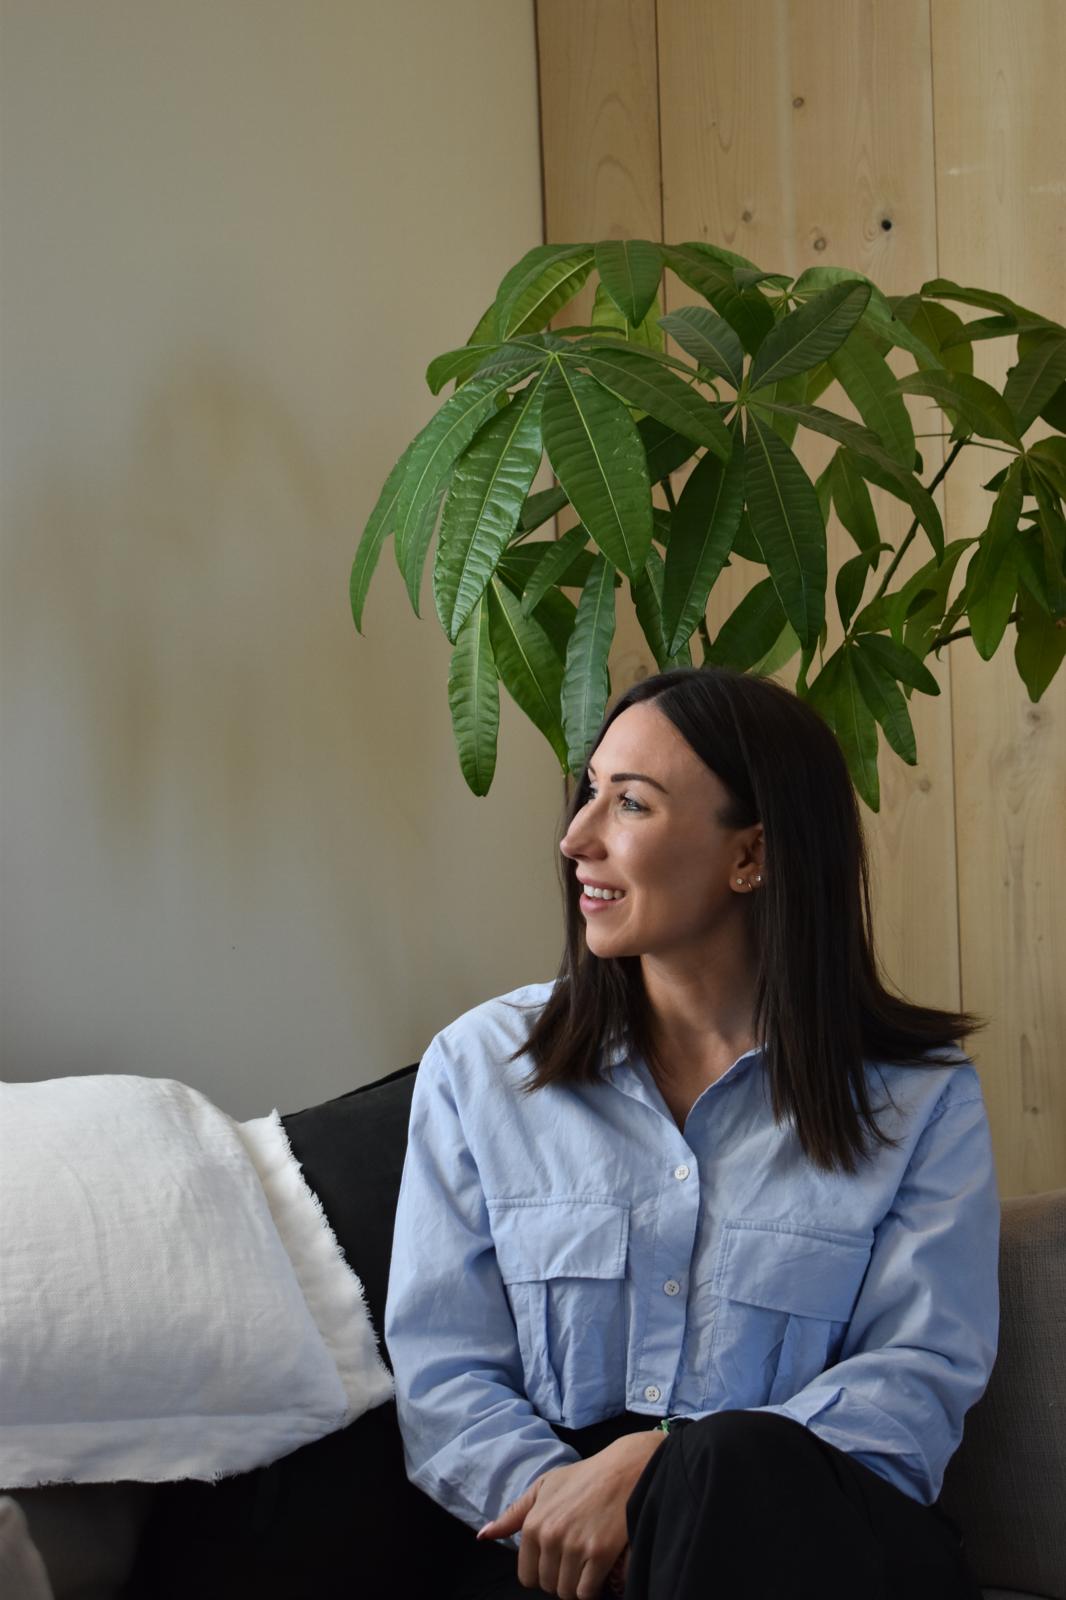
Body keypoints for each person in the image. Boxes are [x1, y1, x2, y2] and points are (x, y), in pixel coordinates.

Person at [385, 666, 998, 1600]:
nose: (576, 839)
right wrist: (578, 1510)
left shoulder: (918, 1098)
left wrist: (661, 1470)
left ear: (750, 855)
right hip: (549, 1537)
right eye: (589, 791)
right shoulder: (479, 1067)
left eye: (628, 804)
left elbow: (913, 1384)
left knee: (735, 1463)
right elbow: (445, 1376)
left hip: (812, 1527)